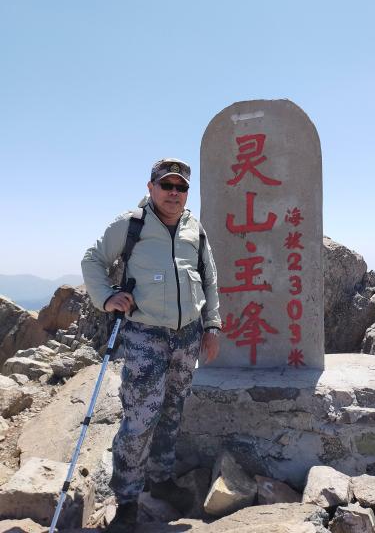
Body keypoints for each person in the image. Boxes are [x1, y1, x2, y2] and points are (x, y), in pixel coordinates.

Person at [81, 158, 221, 531]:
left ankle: (160, 480)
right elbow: (93, 260)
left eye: (181, 187)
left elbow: (209, 279)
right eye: (166, 185)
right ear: (151, 188)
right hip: (145, 335)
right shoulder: (131, 225)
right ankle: (127, 500)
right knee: (141, 419)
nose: (174, 193)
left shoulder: (194, 229)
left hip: (188, 335)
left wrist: (212, 325)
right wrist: (106, 297)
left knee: (172, 410)